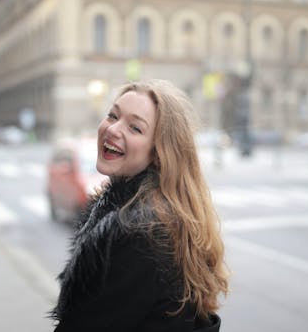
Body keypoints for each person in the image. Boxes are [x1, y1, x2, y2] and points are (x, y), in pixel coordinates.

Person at [50, 79, 229, 332]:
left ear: (159, 152)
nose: (113, 129)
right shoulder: (153, 214)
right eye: (113, 116)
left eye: (135, 128)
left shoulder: (140, 232)